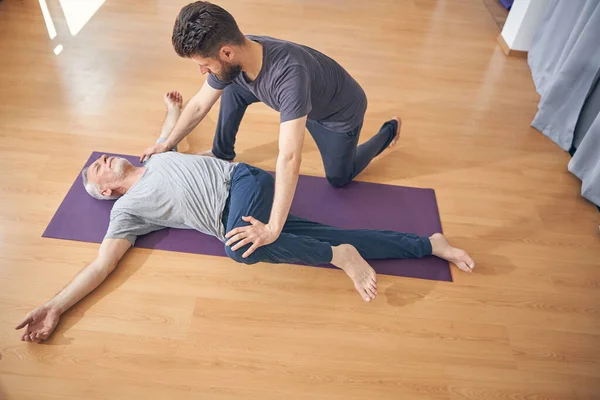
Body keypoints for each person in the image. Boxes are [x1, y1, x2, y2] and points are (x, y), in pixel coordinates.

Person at [16, 91, 474, 343]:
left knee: (241, 248)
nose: (103, 160)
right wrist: (56, 306)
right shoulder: (126, 212)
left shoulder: (153, 156)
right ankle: (429, 244)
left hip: (246, 186)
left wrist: (172, 112)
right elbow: (101, 265)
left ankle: (339, 256)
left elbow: (169, 133)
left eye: (98, 159)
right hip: (249, 220)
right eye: (96, 169)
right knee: (308, 236)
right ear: (106, 192)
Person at [140, 1, 402, 259]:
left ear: (227, 53)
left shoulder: (289, 78)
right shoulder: (240, 52)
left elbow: (289, 157)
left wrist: (273, 227)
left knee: (339, 178)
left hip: (337, 114)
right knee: (230, 87)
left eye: (204, 64)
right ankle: (222, 151)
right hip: (302, 102)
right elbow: (198, 105)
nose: (202, 71)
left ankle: (388, 131)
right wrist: (166, 144)